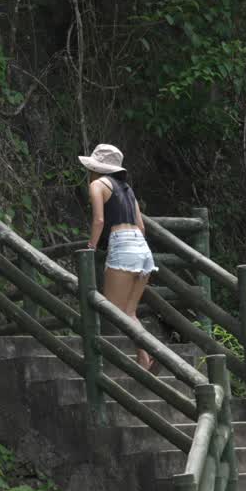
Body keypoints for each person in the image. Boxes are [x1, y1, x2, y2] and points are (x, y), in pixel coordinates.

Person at [79, 144, 158, 371]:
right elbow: (141, 226)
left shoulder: (97, 185)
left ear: (96, 168)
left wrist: (91, 247)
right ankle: (145, 358)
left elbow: (99, 221)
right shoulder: (128, 190)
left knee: (111, 309)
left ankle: (149, 353)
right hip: (142, 249)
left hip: (123, 245)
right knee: (129, 312)